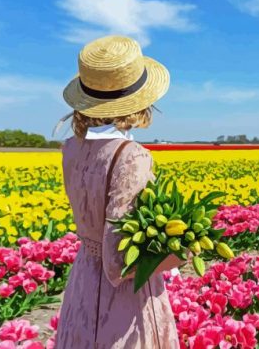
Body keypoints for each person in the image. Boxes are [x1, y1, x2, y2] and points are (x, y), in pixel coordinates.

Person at [54, 35, 182, 348]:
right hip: (123, 296)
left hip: (83, 277)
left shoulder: (70, 148)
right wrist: (179, 250)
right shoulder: (130, 155)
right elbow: (120, 259)